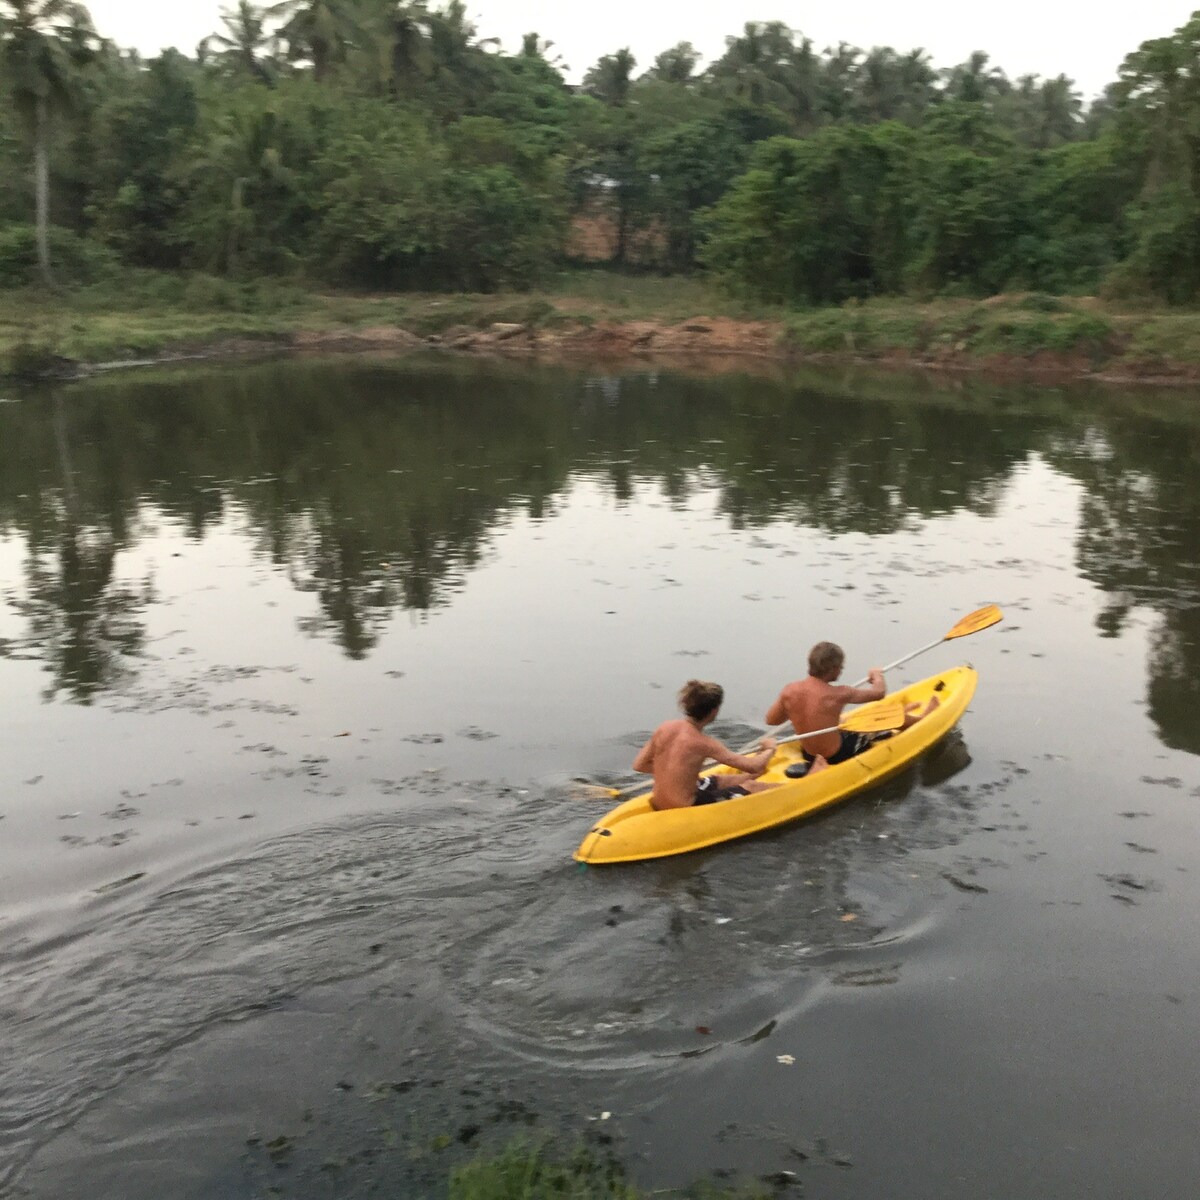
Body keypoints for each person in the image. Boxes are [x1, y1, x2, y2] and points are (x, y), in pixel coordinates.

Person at [766, 641, 938, 768]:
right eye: (840, 667)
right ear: (832, 669)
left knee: (843, 723)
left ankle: (904, 713)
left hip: (809, 755)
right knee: (878, 720)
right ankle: (921, 719)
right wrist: (876, 675)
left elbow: (772, 720)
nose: (841, 670)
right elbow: (879, 693)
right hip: (837, 756)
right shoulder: (838, 693)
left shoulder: (789, 691)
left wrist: (801, 713)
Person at [632, 680, 779, 811]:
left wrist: (675, 774)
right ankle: (794, 792)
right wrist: (769, 748)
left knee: (721, 780)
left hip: (659, 801)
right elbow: (754, 766)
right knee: (752, 786)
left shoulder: (664, 728)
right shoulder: (704, 743)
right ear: (714, 711)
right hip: (687, 805)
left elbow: (639, 765)